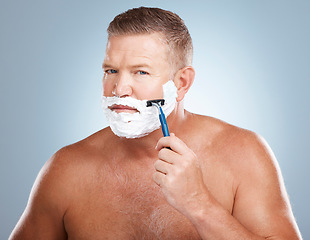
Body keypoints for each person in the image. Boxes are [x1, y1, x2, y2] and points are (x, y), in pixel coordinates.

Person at [10, 7, 302, 240]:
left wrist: (200, 204)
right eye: (111, 70)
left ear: (181, 83)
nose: (119, 88)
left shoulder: (243, 154)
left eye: (140, 72)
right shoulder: (66, 169)